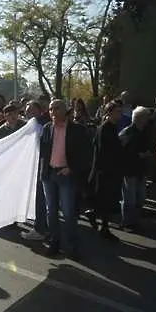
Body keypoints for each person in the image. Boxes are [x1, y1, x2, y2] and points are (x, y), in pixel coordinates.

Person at [37, 99, 91, 260]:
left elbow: (86, 154)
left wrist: (71, 168)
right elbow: (43, 153)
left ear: (65, 110)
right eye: (51, 109)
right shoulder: (47, 128)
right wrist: (42, 173)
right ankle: (54, 243)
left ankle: (72, 247)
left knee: (68, 213)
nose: (52, 112)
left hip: (66, 175)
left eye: (56, 108)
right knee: (51, 211)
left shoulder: (77, 129)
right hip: (49, 175)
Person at [88, 102, 123, 241]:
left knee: (107, 200)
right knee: (106, 199)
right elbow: (103, 151)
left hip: (109, 169)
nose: (119, 114)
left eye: (120, 111)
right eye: (117, 111)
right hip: (105, 170)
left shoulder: (111, 127)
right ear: (109, 112)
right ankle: (103, 226)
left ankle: (98, 219)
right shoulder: (105, 128)